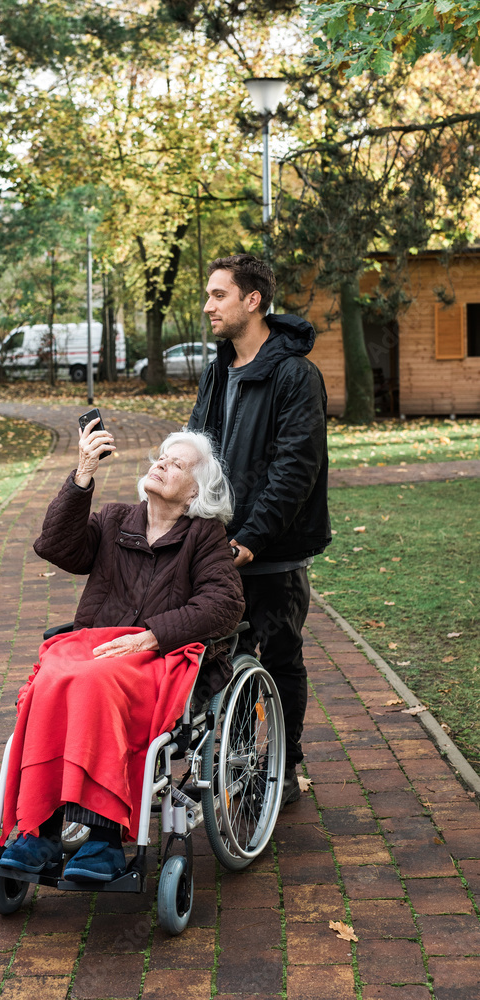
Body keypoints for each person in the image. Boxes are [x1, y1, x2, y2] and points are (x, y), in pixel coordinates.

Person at [0, 421, 244, 881]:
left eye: (178, 463)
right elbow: (55, 546)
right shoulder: (114, 520)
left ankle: (104, 838)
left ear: (194, 492)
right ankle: (41, 831)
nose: (162, 463)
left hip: (159, 659)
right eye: (161, 457)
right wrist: (83, 473)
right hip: (96, 650)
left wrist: (152, 634)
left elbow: (225, 603)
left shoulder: (204, 535)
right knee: (48, 680)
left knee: (94, 683)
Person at [188, 254, 331, 807]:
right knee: (223, 661)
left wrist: (251, 539)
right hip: (219, 547)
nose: (208, 306)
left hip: (272, 554)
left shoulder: (296, 375)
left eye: (218, 294)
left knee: (279, 660)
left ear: (253, 300)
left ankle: (284, 766)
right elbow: (199, 447)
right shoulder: (219, 367)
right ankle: (241, 764)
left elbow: (295, 469)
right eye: (208, 294)